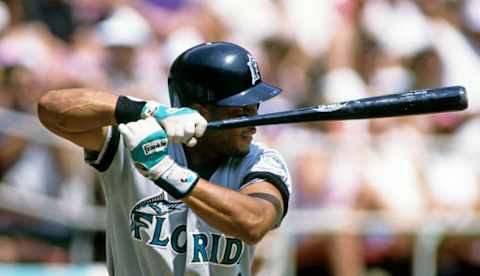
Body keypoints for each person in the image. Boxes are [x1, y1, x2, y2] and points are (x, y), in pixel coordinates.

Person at [37, 42, 291, 276]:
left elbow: (254, 222)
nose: (253, 121)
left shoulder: (261, 160)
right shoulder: (137, 140)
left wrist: (165, 170)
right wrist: (147, 110)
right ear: (199, 112)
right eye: (240, 110)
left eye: (255, 107)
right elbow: (51, 108)